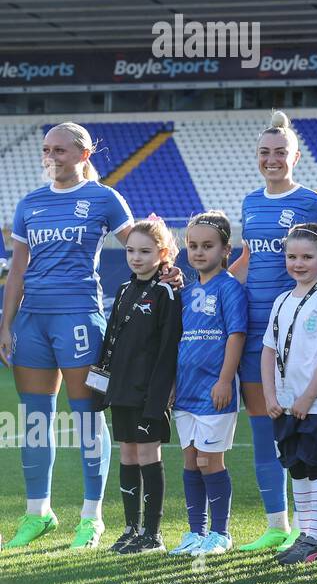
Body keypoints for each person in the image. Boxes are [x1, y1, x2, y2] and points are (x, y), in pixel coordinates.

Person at [1, 123, 134, 550]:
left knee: (88, 418)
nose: (51, 156)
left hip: (79, 318)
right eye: (46, 149)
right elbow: (18, 269)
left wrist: (165, 264)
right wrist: (5, 323)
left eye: (60, 149)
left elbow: (138, 245)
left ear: (83, 153)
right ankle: (38, 513)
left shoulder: (104, 198)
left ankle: (91, 518)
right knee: (36, 420)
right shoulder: (30, 203)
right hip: (32, 322)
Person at [228, 111, 317, 552]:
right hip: (255, 328)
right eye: (265, 153)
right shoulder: (250, 203)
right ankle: (276, 523)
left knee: (302, 426)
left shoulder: (311, 203)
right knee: (265, 425)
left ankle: (311, 528)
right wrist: (204, 284)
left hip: (299, 328)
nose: (272, 160)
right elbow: (249, 257)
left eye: (280, 153)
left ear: (296, 157)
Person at [261, 223, 317, 566]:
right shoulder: (282, 300)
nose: (298, 263)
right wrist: (271, 395)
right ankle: (304, 535)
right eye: (292, 256)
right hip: (284, 404)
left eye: (307, 257)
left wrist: (308, 397)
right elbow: (269, 351)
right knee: (296, 468)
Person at [97, 217, 184, 555]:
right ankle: (131, 528)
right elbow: (112, 340)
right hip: (121, 388)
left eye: (145, 251)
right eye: (131, 250)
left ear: (162, 253)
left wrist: (160, 395)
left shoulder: (166, 291)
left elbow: (168, 349)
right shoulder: (123, 289)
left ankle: (153, 534)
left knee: (149, 454)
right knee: (128, 455)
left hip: (150, 391)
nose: (136, 257)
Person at [172, 212, 247, 557]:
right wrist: (173, 384)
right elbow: (178, 341)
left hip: (213, 390)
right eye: (193, 246)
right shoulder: (186, 293)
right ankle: (194, 532)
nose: (199, 252)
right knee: (189, 461)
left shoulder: (229, 287)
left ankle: (220, 533)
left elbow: (236, 335)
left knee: (209, 462)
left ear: (225, 249)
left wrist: (225, 380)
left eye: (207, 246)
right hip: (185, 390)